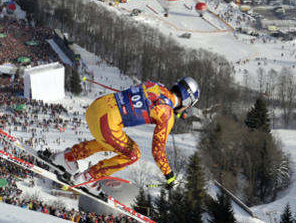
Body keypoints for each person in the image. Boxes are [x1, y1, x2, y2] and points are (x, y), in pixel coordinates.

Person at [40, 77, 200, 198]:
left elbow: (146, 99)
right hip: (106, 124)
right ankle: (88, 177)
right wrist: (169, 175)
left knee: (113, 143)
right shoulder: (167, 114)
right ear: (187, 102)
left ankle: (68, 157)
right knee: (133, 154)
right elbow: (157, 152)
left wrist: (173, 110)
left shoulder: (156, 85)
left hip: (95, 108)